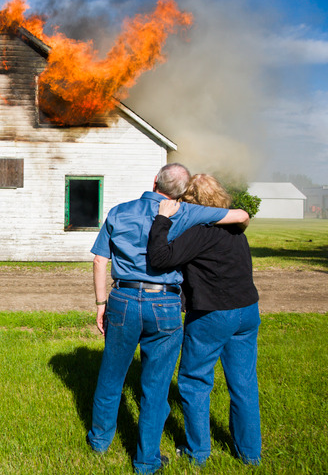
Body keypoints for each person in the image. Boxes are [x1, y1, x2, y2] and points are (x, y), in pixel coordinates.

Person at [86, 163, 250, 474]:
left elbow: (99, 259)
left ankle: (99, 441)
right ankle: (147, 460)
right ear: (182, 193)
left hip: (122, 298)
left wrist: (100, 303)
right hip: (164, 302)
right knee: (156, 385)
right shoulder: (187, 213)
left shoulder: (119, 211)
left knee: (111, 375)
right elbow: (239, 216)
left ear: (154, 181)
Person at [146, 174, 261, 467]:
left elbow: (160, 258)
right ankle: (250, 453)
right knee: (244, 383)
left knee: (194, 381)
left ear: (189, 200)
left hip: (212, 314)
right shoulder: (237, 229)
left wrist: (161, 220)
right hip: (247, 311)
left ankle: (198, 452)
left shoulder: (199, 231)